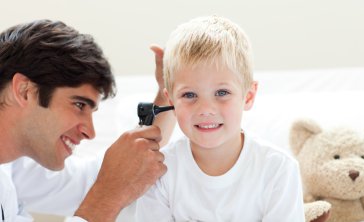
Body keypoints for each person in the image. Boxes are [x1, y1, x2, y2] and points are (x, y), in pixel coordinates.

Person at [0, 19, 175, 222]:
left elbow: (96, 180)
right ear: (25, 91)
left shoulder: (12, 166)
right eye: (79, 105)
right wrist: (108, 196)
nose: (90, 133)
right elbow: (105, 188)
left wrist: (166, 95)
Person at [135, 15, 305, 221]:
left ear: (248, 96)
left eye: (222, 93)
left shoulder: (278, 170)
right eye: (189, 95)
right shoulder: (159, 172)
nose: (206, 109)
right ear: (171, 101)